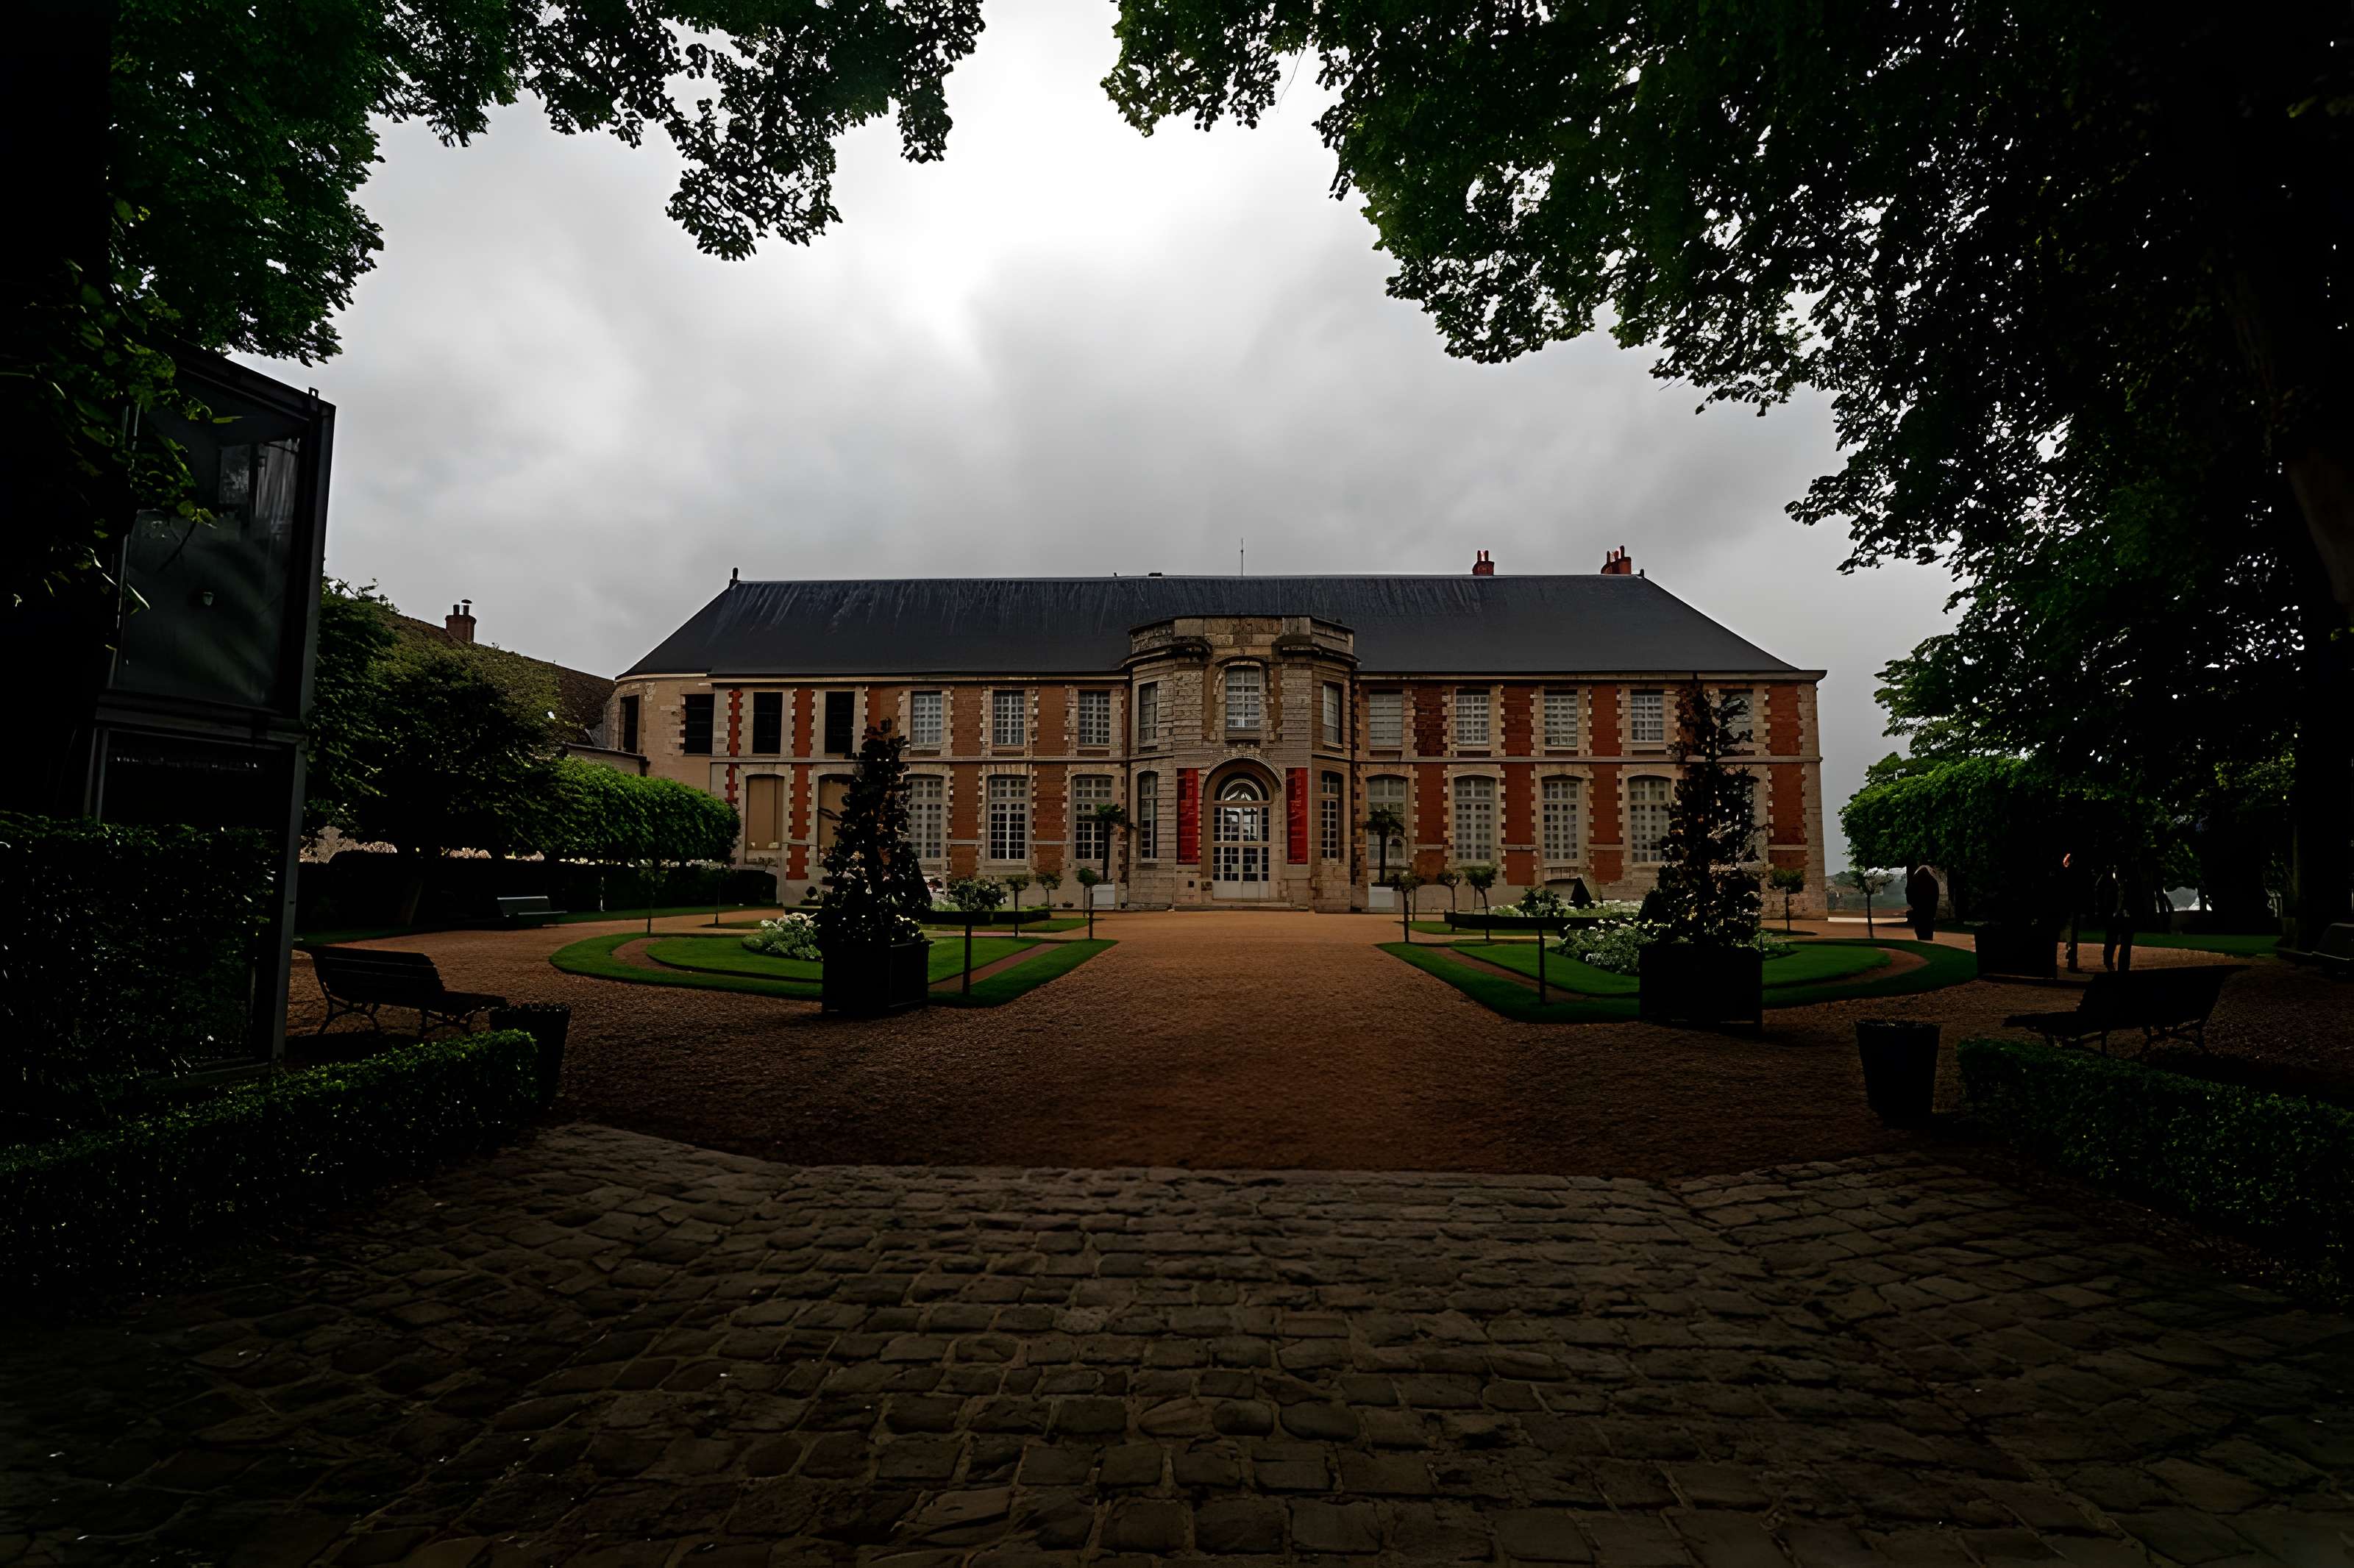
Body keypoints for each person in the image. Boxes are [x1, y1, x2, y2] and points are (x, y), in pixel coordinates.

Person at [1905, 864, 1939, 942]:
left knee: (1919, 927)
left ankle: (1921, 939)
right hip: (1930, 909)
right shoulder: (1933, 880)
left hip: (1918, 909)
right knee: (1928, 926)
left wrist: (1913, 905)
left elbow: (1909, 895)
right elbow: (1936, 896)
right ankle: (1928, 940)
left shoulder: (1914, 880)